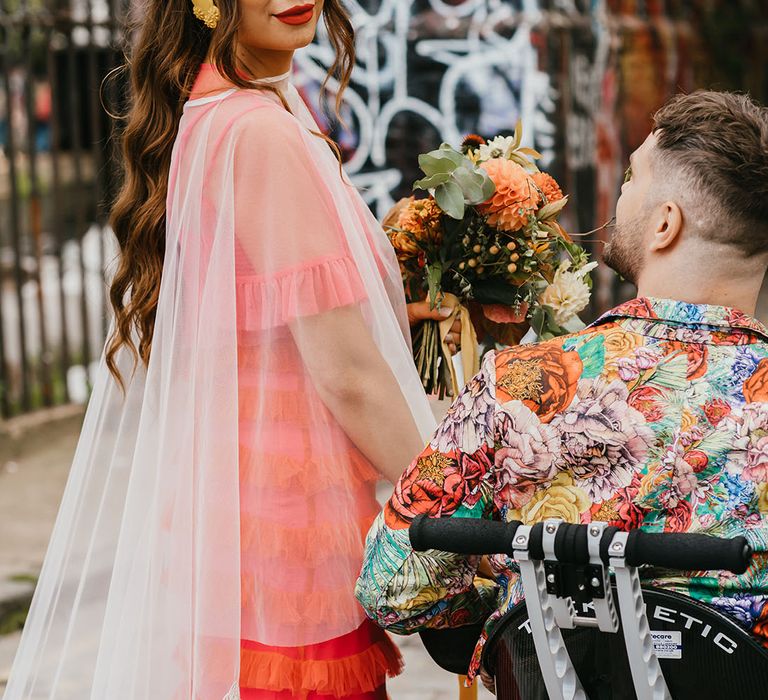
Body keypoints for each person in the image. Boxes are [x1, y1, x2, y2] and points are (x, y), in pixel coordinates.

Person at [3, 2, 445, 699]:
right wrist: (461, 492)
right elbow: (348, 375)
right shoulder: (260, 132)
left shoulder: (212, 108)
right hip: (289, 522)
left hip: (233, 508)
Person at [356, 90, 768, 686]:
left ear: (665, 223)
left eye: (632, 177)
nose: (619, 191)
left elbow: (391, 585)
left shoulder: (522, 386)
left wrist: (509, 600)